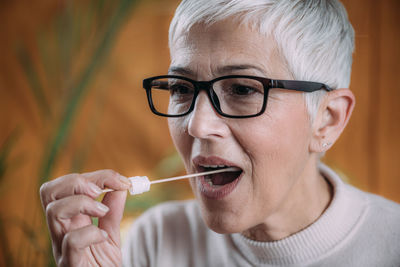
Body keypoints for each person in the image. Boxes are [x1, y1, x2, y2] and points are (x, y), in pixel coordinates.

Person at [40, 0, 400, 266]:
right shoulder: (153, 243)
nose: (197, 125)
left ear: (328, 119)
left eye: (242, 89)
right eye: (182, 89)